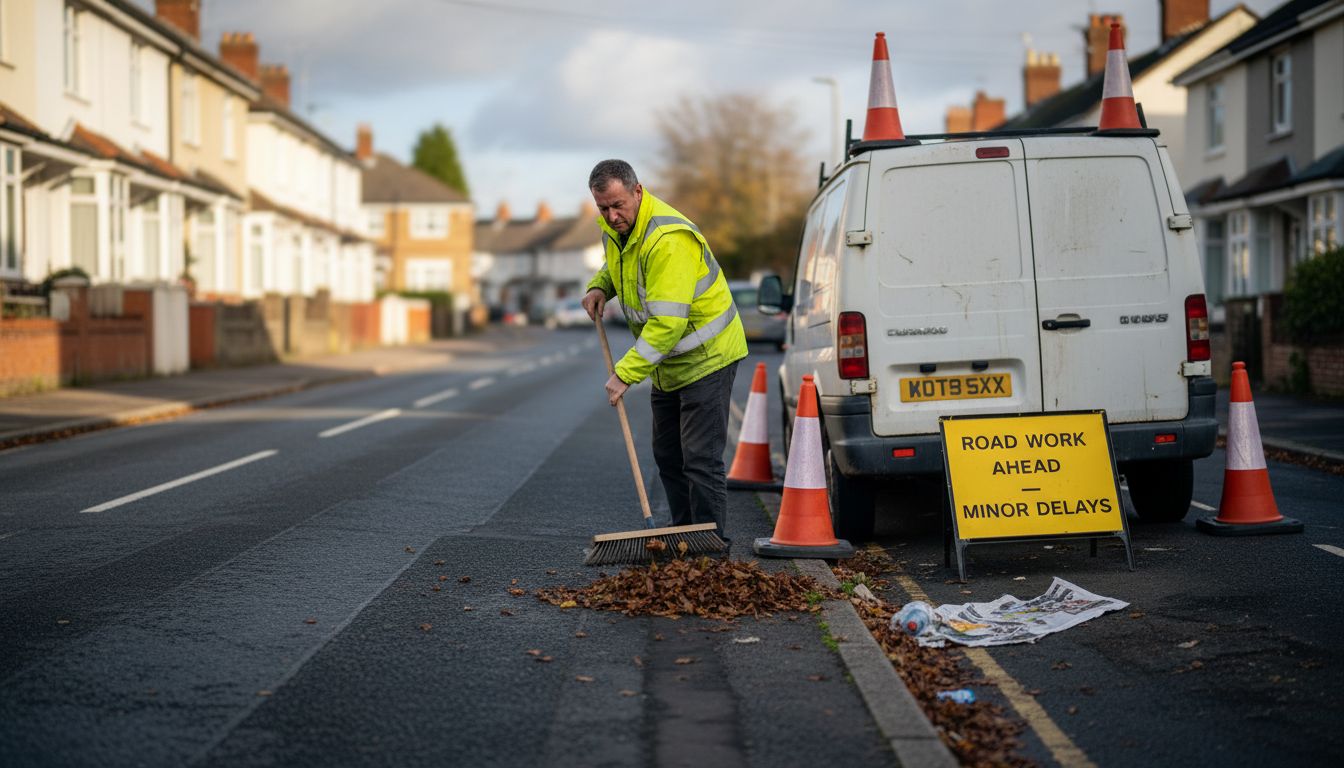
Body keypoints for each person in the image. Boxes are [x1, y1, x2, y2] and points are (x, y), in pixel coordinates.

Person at [580, 159, 748, 544]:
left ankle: (710, 545)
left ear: (638, 191)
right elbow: (619, 267)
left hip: (708, 355)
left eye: (618, 205)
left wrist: (625, 374)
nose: (611, 215)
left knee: (700, 458)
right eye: (602, 207)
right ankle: (683, 535)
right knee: (668, 454)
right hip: (669, 363)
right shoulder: (614, 228)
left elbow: (668, 324)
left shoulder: (668, 240)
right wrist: (599, 286)